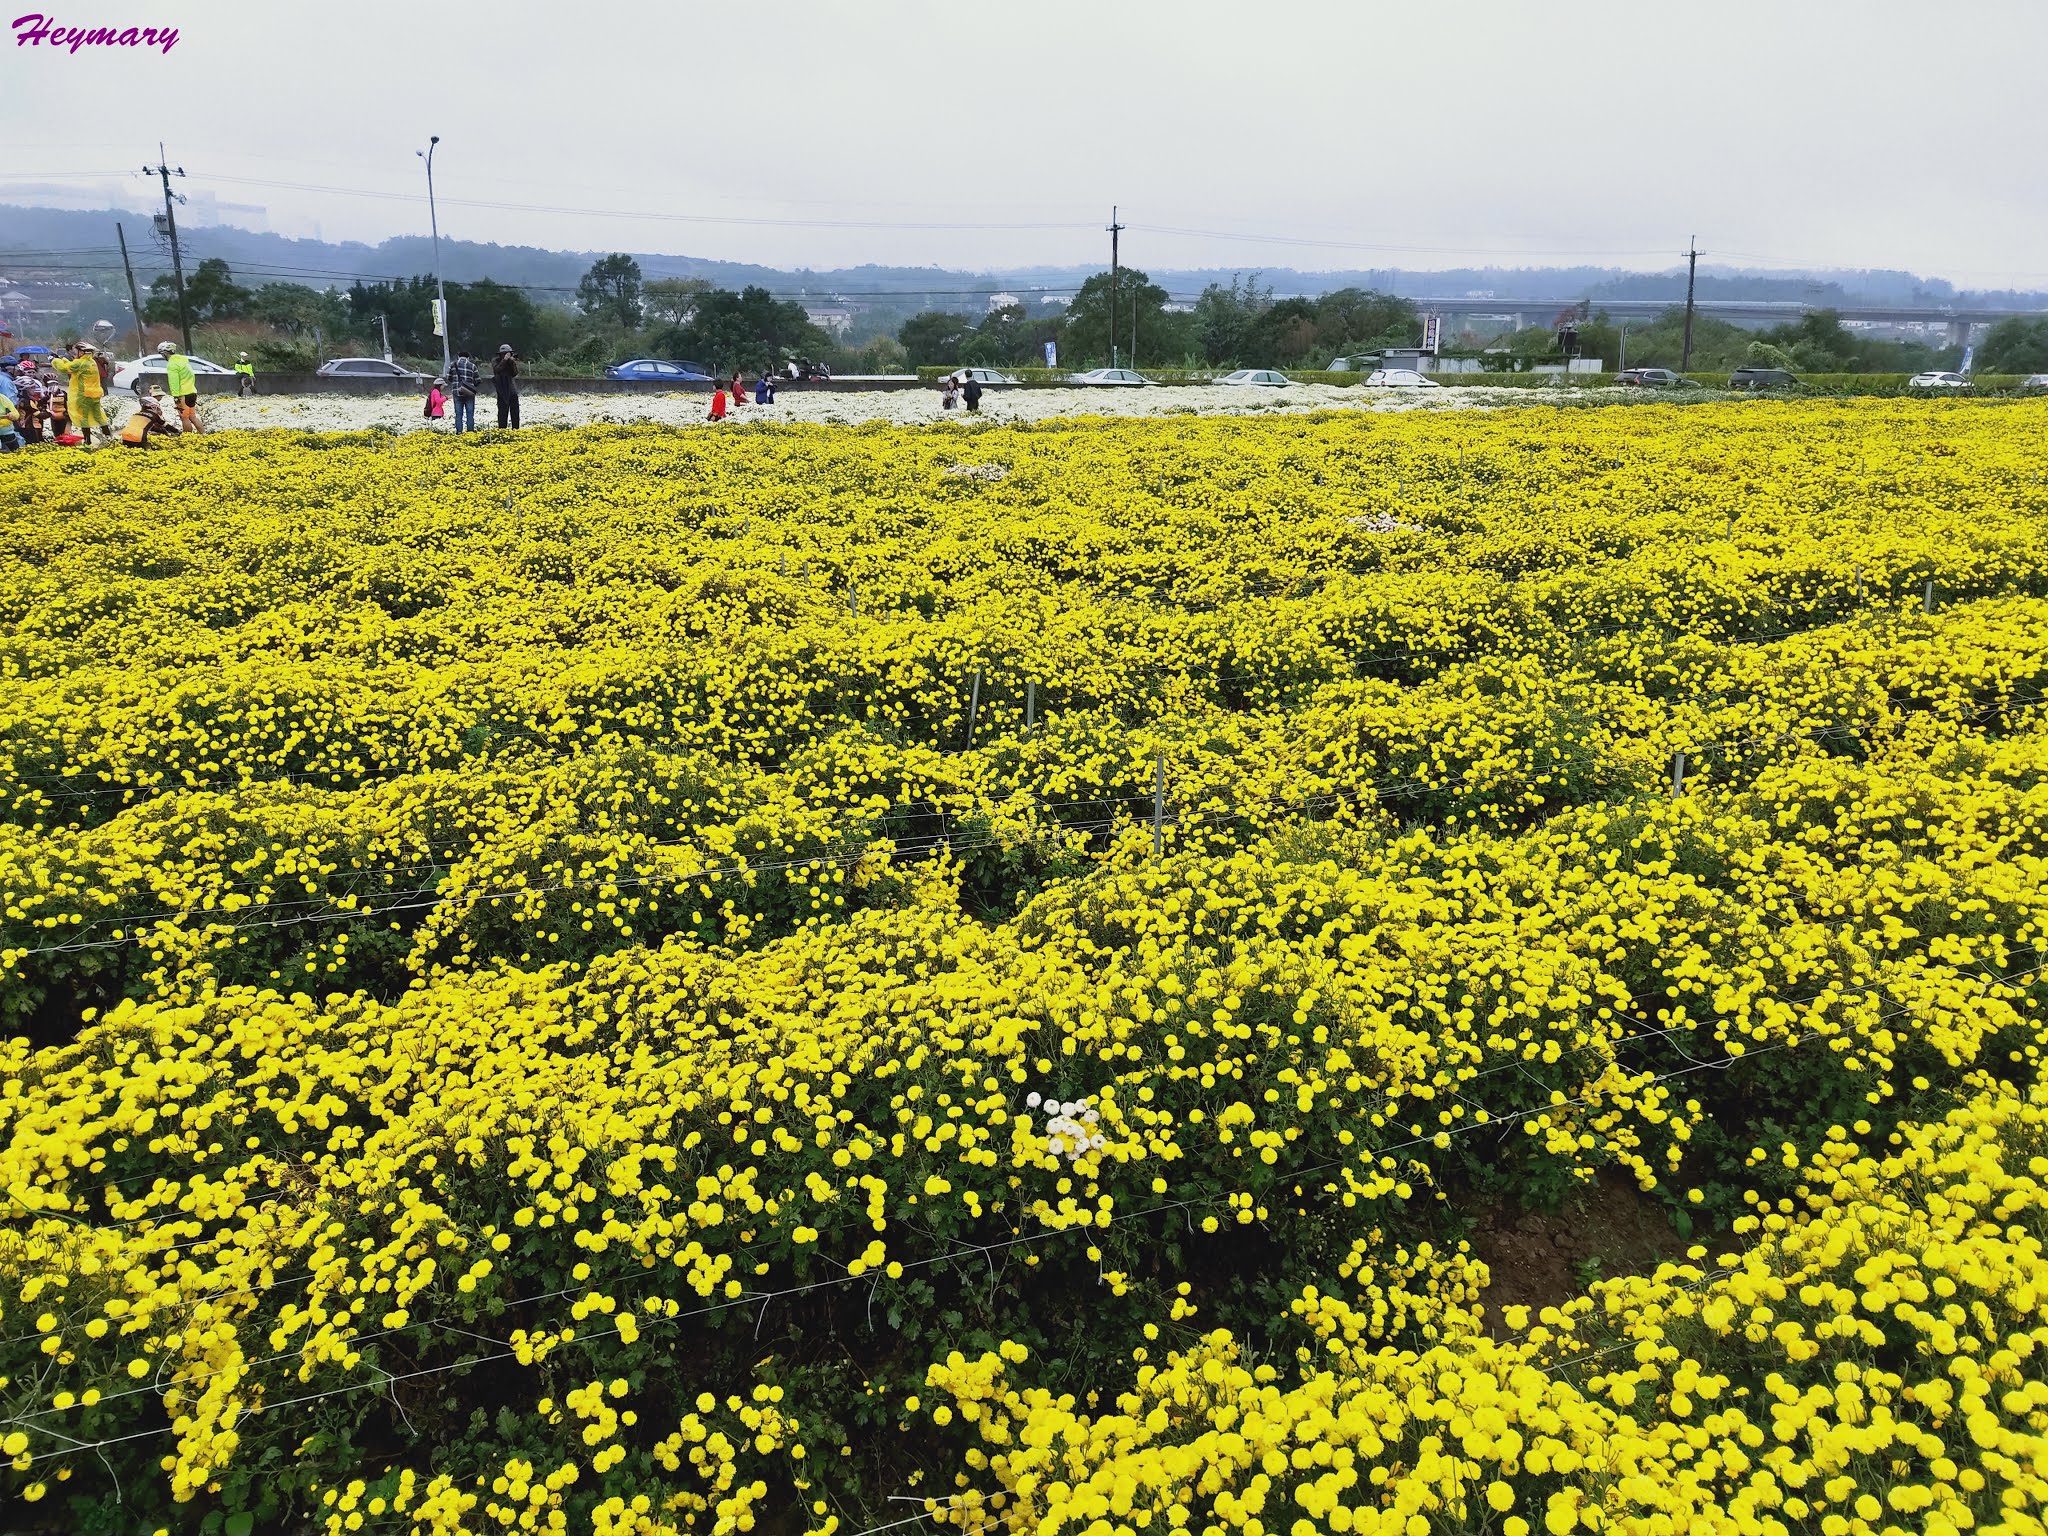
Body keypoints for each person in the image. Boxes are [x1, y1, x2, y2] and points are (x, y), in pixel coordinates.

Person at [52, 342, 112, 446]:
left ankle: (87, 441)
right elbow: (73, 366)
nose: (75, 353)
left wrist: (55, 360)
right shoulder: (91, 362)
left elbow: (64, 368)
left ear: (82, 352)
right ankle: (109, 437)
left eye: (76, 351)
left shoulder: (80, 363)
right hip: (95, 394)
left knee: (83, 418)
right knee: (99, 416)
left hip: (84, 395)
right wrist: (65, 360)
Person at [160, 341, 203, 433]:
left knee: (184, 418)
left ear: (165, 353)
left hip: (182, 395)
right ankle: (203, 435)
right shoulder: (183, 361)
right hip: (192, 392)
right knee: (192, 417)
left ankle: (187, 439)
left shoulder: (172, 364)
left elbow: (173, 382)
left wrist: (176, 396)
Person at [446, 349, 479, 432]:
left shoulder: (453, 365)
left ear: (458, 357)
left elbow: (449, 378)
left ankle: (459, 433)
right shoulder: (472, 366)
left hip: (457, 393)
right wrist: (470, 384)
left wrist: (457, 383)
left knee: (458, 415)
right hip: (469, 394)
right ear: (468, 357)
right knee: (470, 415)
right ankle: (470, 433)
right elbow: (478, 380)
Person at [491, 343, 521, 428]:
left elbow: (515, 373)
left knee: (515, 412)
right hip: (502, 390)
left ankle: (515, 430)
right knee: (502, 412)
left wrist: (512, 362)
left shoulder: (511, 361)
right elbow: (497, 370)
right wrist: (504, 360)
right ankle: (502, 430)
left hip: (512, 390)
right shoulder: (495, 361)